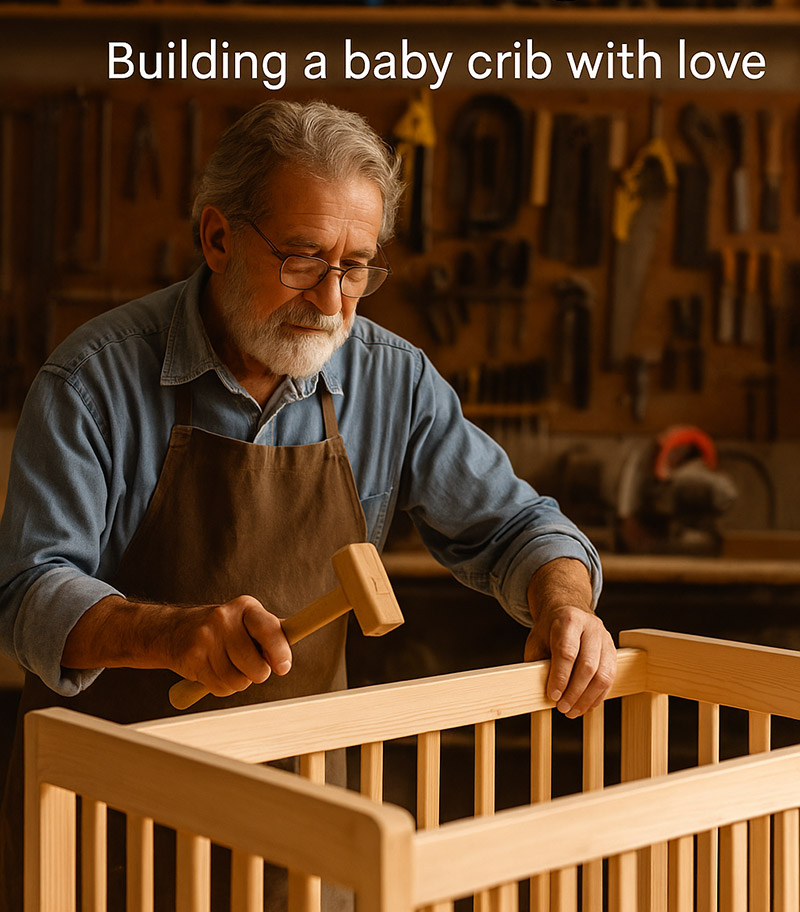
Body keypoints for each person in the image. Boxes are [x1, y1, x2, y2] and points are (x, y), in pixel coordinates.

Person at [0, 98, 616, 910]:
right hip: (112, 826)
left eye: (356, 266)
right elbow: (31, 595)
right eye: (302, 258)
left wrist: (567, 601)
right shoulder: (93, 381)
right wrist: (169, 633)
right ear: (217, 237)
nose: (332, 302)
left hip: (296, 828)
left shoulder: (391, 379)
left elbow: (518, 527)